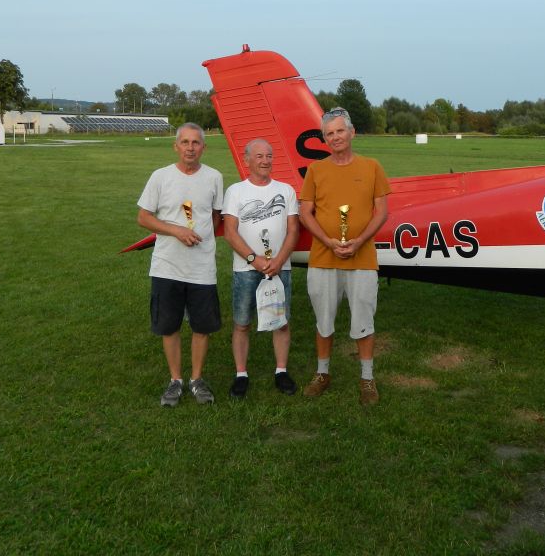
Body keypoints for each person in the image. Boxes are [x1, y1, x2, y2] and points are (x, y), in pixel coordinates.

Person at [298, 107, 390, 405]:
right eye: (329, 133)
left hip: (362, 258)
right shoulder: (316, 170)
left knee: (364, 320)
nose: (335, 137)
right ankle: (322, 373)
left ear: (352, 133)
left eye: (340, 131)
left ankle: (367, 378)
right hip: (323, 258)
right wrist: (327, 241)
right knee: (323, 320)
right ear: (324, 139)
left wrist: (359, 241)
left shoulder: (372, 167)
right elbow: (305, 212)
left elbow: (382, 211)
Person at [136, 122, 223, 407]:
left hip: (201, 267)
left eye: (195, 142)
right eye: (185, 142)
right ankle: (175, 380)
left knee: (202, 327)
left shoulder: (214, 177)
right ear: (176, 146)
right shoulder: (160, 177)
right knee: (169, 326)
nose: (190, 148)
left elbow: (216, 216)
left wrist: (200, 237)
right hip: (167, 266)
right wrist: (176, 231)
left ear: (203, 147)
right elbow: (143, 217)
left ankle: (196, 380)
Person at [222, 138, 300, 398]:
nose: (265, 161)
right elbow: (230, 232)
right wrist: (253, 259)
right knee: (242, 323)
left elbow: (293, 230)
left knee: (281, 322)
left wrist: (279, 261)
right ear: (247, 160)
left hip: (279, 268)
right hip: (246, 269)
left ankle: (281, 371)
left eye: (269, 156)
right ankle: (241, 374)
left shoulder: (286, 190)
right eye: (259, 156)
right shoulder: (236, 191)